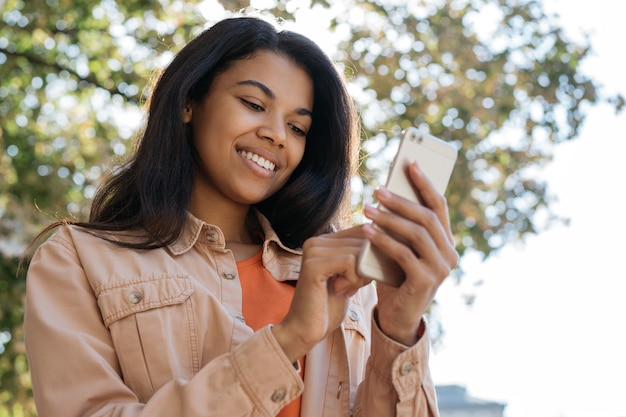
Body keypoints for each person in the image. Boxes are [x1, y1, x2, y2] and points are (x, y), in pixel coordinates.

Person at [24, 15, 458, 417]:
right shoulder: (78, 259)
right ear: (189, 102)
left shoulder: (347, 287)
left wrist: (397, 329)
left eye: (298, 127)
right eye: (253, 103)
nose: (275, 134)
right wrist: (288, 339)